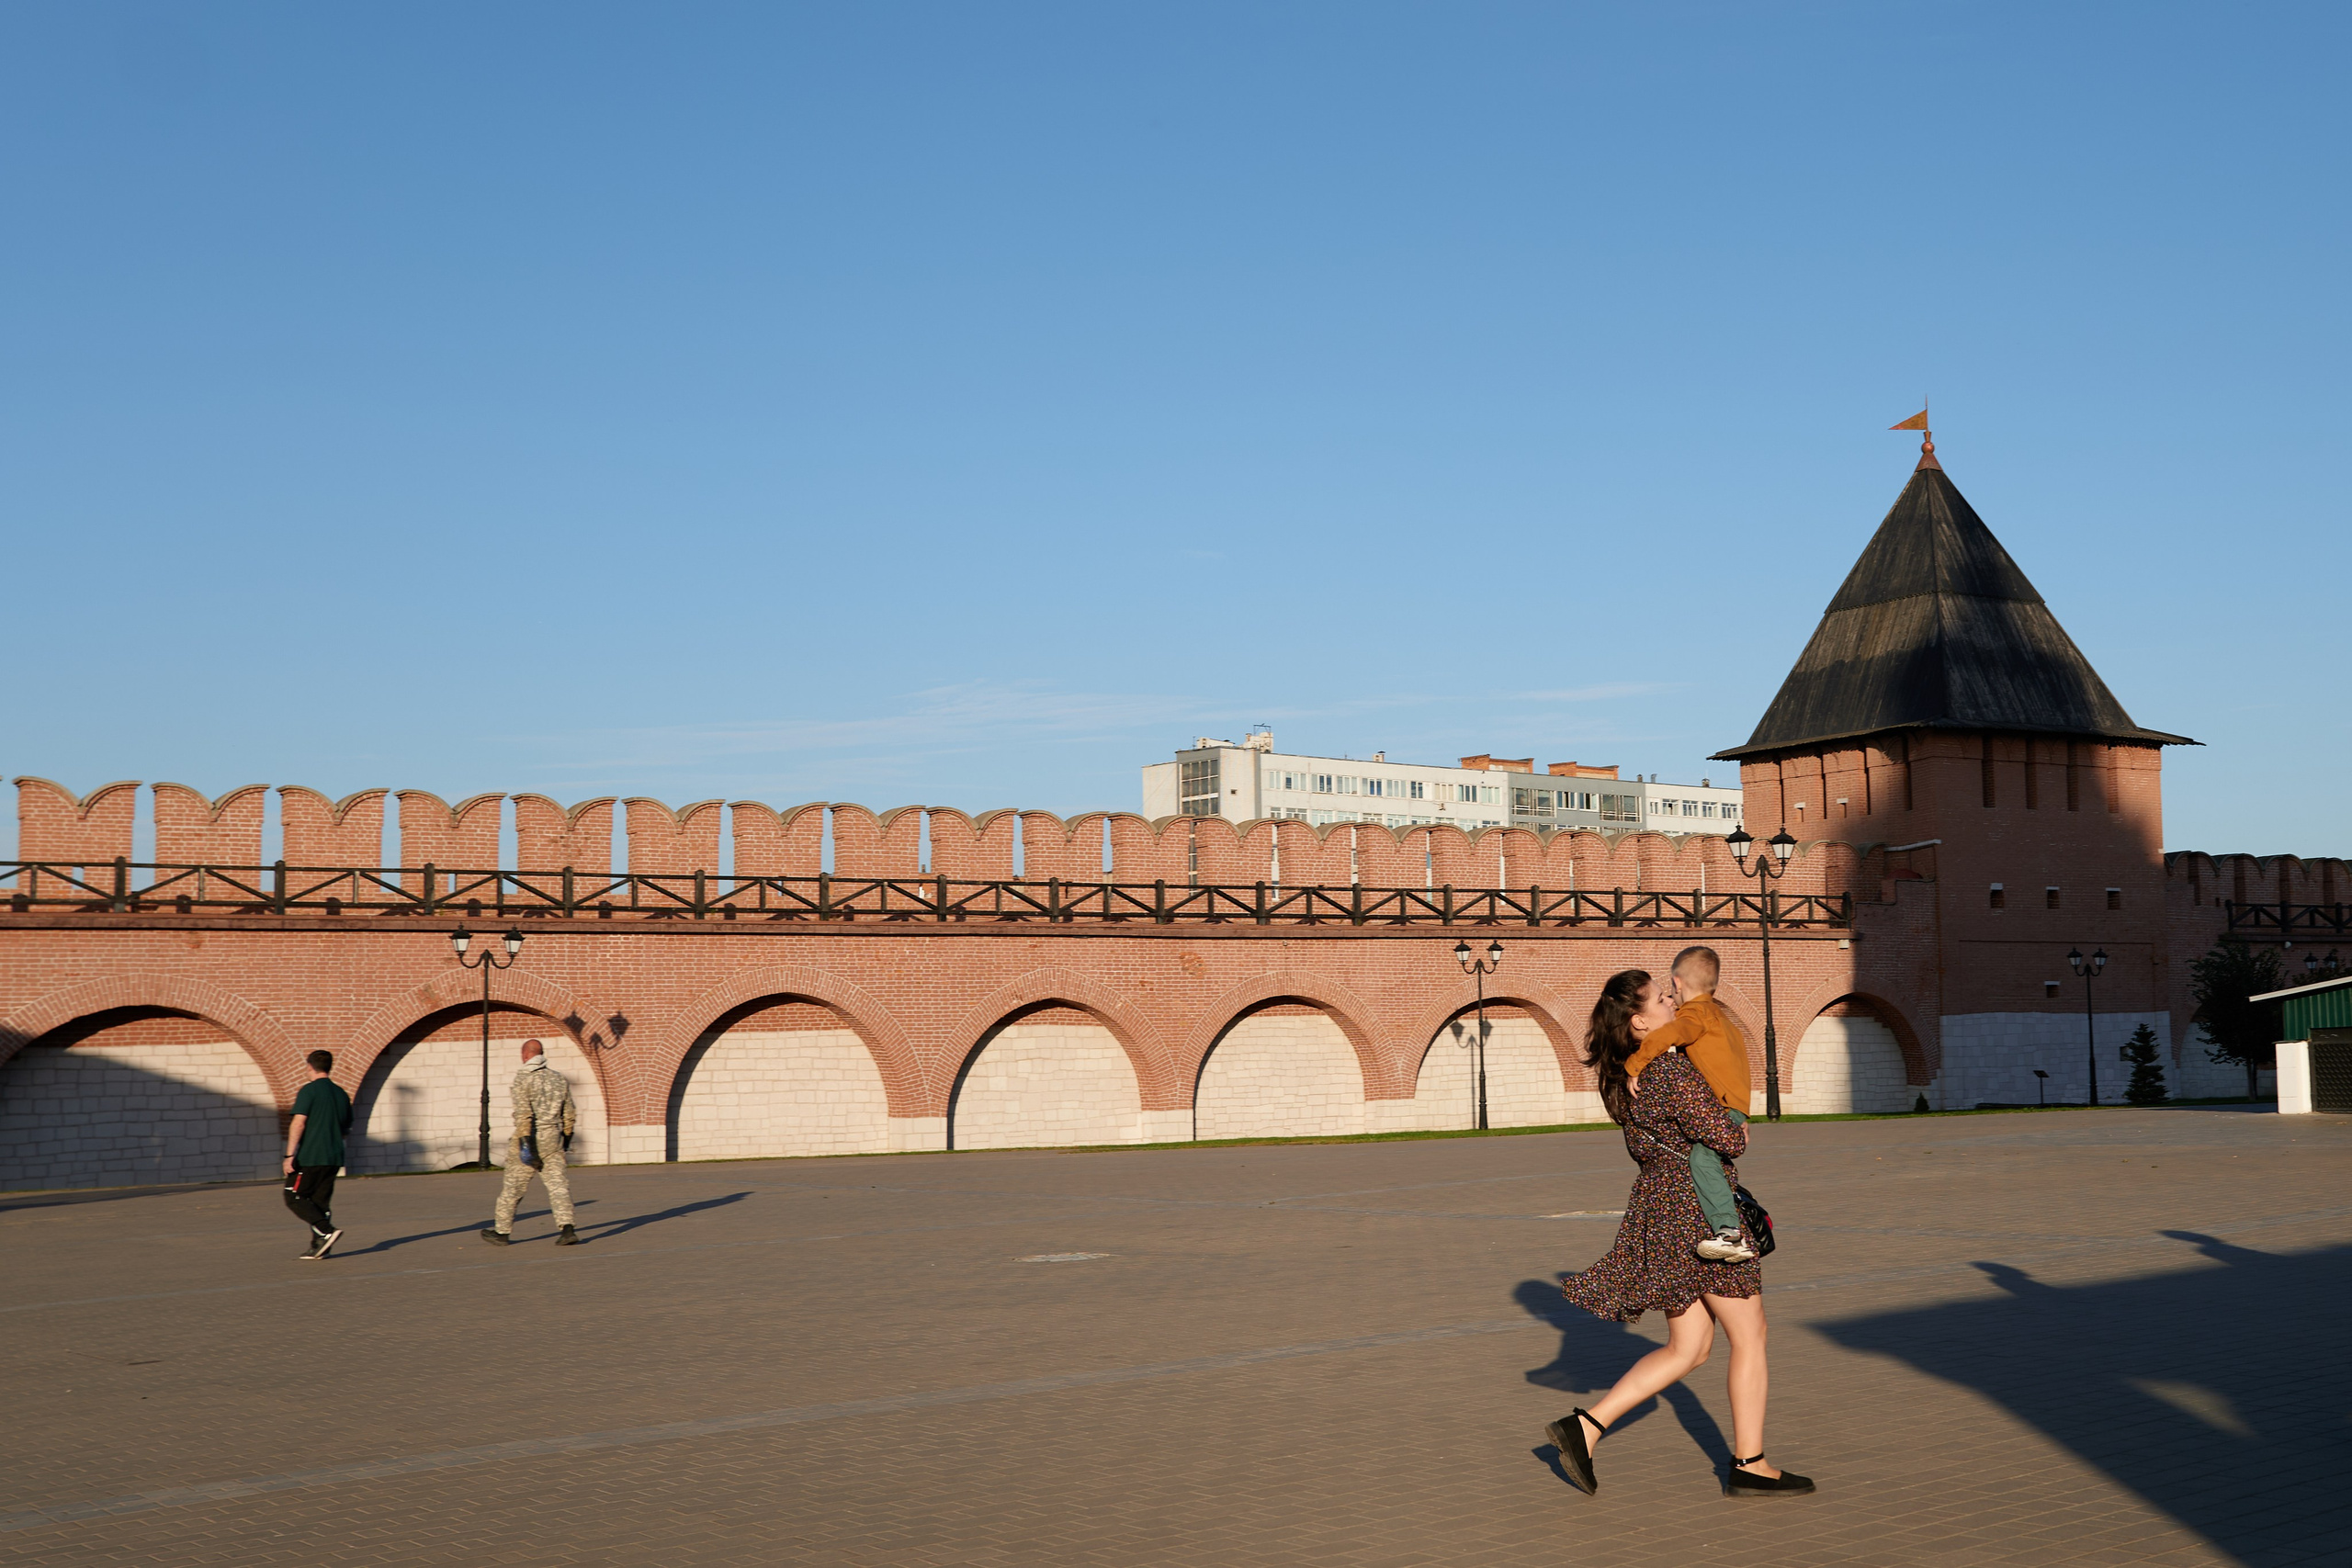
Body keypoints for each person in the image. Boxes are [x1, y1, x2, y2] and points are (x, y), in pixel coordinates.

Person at [1545, 968, 1814, 1499]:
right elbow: (1725, 1138)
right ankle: (1750, 1463)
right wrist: (1736, 1127)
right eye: (1662, 999)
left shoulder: (1623, 1077)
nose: (1674, 1003)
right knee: (1750, 1334)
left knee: (1688, 1347)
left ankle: (1585, 1428)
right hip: (1699, 1213)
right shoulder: (1668, 1070)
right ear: (1639, 1022)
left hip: (1660, 1211)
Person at [1622, 945, 1755, 1262]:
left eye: (1669, 992)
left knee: (1702, 1158)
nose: (1670, 999)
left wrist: (1635, 1064)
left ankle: (1729, 1232)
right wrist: (1739, 1113)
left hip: (1725, 1107)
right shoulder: (1720, 1018)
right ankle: (1731, 1234)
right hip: (1733, 1105)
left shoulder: (1695, 1015)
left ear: (1677, 983)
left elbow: (1666, 1035)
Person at [481, 1039, 581, 1247]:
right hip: (553, 1139)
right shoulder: (558, 1079)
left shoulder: (523, 1078)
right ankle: (567, 1229)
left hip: (529, 1140)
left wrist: (527, 1145)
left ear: (526, 1055)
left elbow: (523, 1114)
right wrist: (566, 1138)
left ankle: (502, 1231)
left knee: (513, 1188)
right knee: (558, 1186)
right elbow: (569, 1112)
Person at [283, 1049, 352, 1259]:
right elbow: (346, 1127)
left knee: (294, 1196)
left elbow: (298, 1123)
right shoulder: (341, 1093)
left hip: (311, 1156)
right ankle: (320, 1246)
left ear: (310, 1067)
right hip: (334, 1156)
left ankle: (326, 1231)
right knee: (320, 1201)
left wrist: (289, 1156)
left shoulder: (309, 1091)